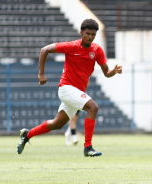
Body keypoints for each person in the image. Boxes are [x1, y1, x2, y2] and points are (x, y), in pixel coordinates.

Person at [17, 19, 122, 157]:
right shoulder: (71, 46)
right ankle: (88, 147)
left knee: (57, 124)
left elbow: (106, 73)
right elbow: (45, 50)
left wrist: (114, 71)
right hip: (66, 89)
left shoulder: (97, 50)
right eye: (87, 34)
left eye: (93, 35)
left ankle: (27, 134)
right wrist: (41, 74)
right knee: (93, 107)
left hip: (77, 92)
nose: (90, 37)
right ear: (81, 33)